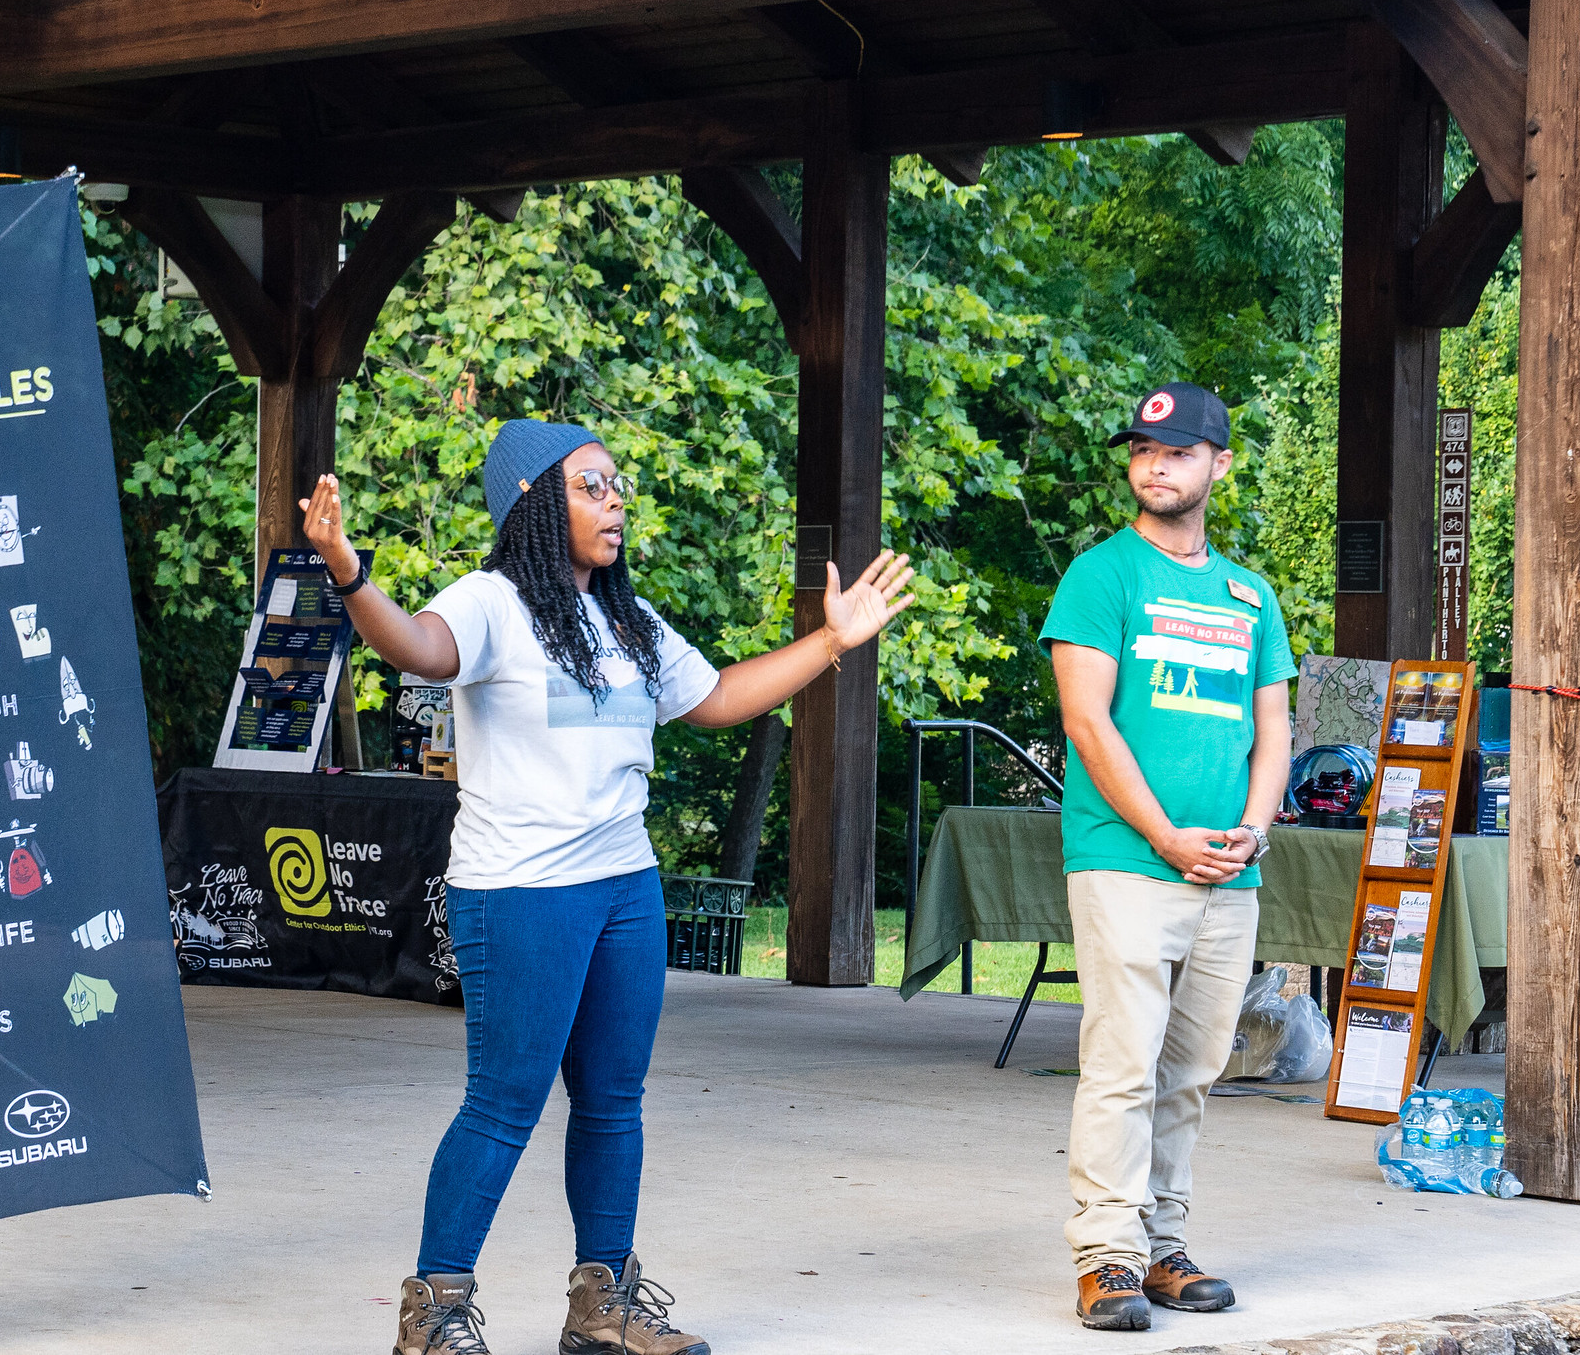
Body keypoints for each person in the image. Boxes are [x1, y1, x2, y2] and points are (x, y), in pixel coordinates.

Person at [298, 418, 914, 1355]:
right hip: (522, 891)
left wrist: (832, 640)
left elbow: (717, 698)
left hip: (625, 884)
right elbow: (416, 647)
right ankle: (433, 1311)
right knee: (503, 1101)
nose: (615, 499)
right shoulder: (491, 603)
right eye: (591, 485)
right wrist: (348, 570)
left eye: (617, 483)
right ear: (533, 503)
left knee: (613, 1100)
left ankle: (603, 1305)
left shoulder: (627, 618)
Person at [1038, 383, 1293, 1332]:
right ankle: (1106, 1254)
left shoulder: (1250, 595)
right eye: (1144, 450)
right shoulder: (1101, 575)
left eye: (1179, 451)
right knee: (1122, 1062)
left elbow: (1274, 729)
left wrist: (1254, 829)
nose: (1156, 466)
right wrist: (1163, 834)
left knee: (1192, 1069)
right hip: (1126, 859)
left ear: (1218, 464)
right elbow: (1087, 721)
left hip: (1231, 869)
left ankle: (1162, 1244)